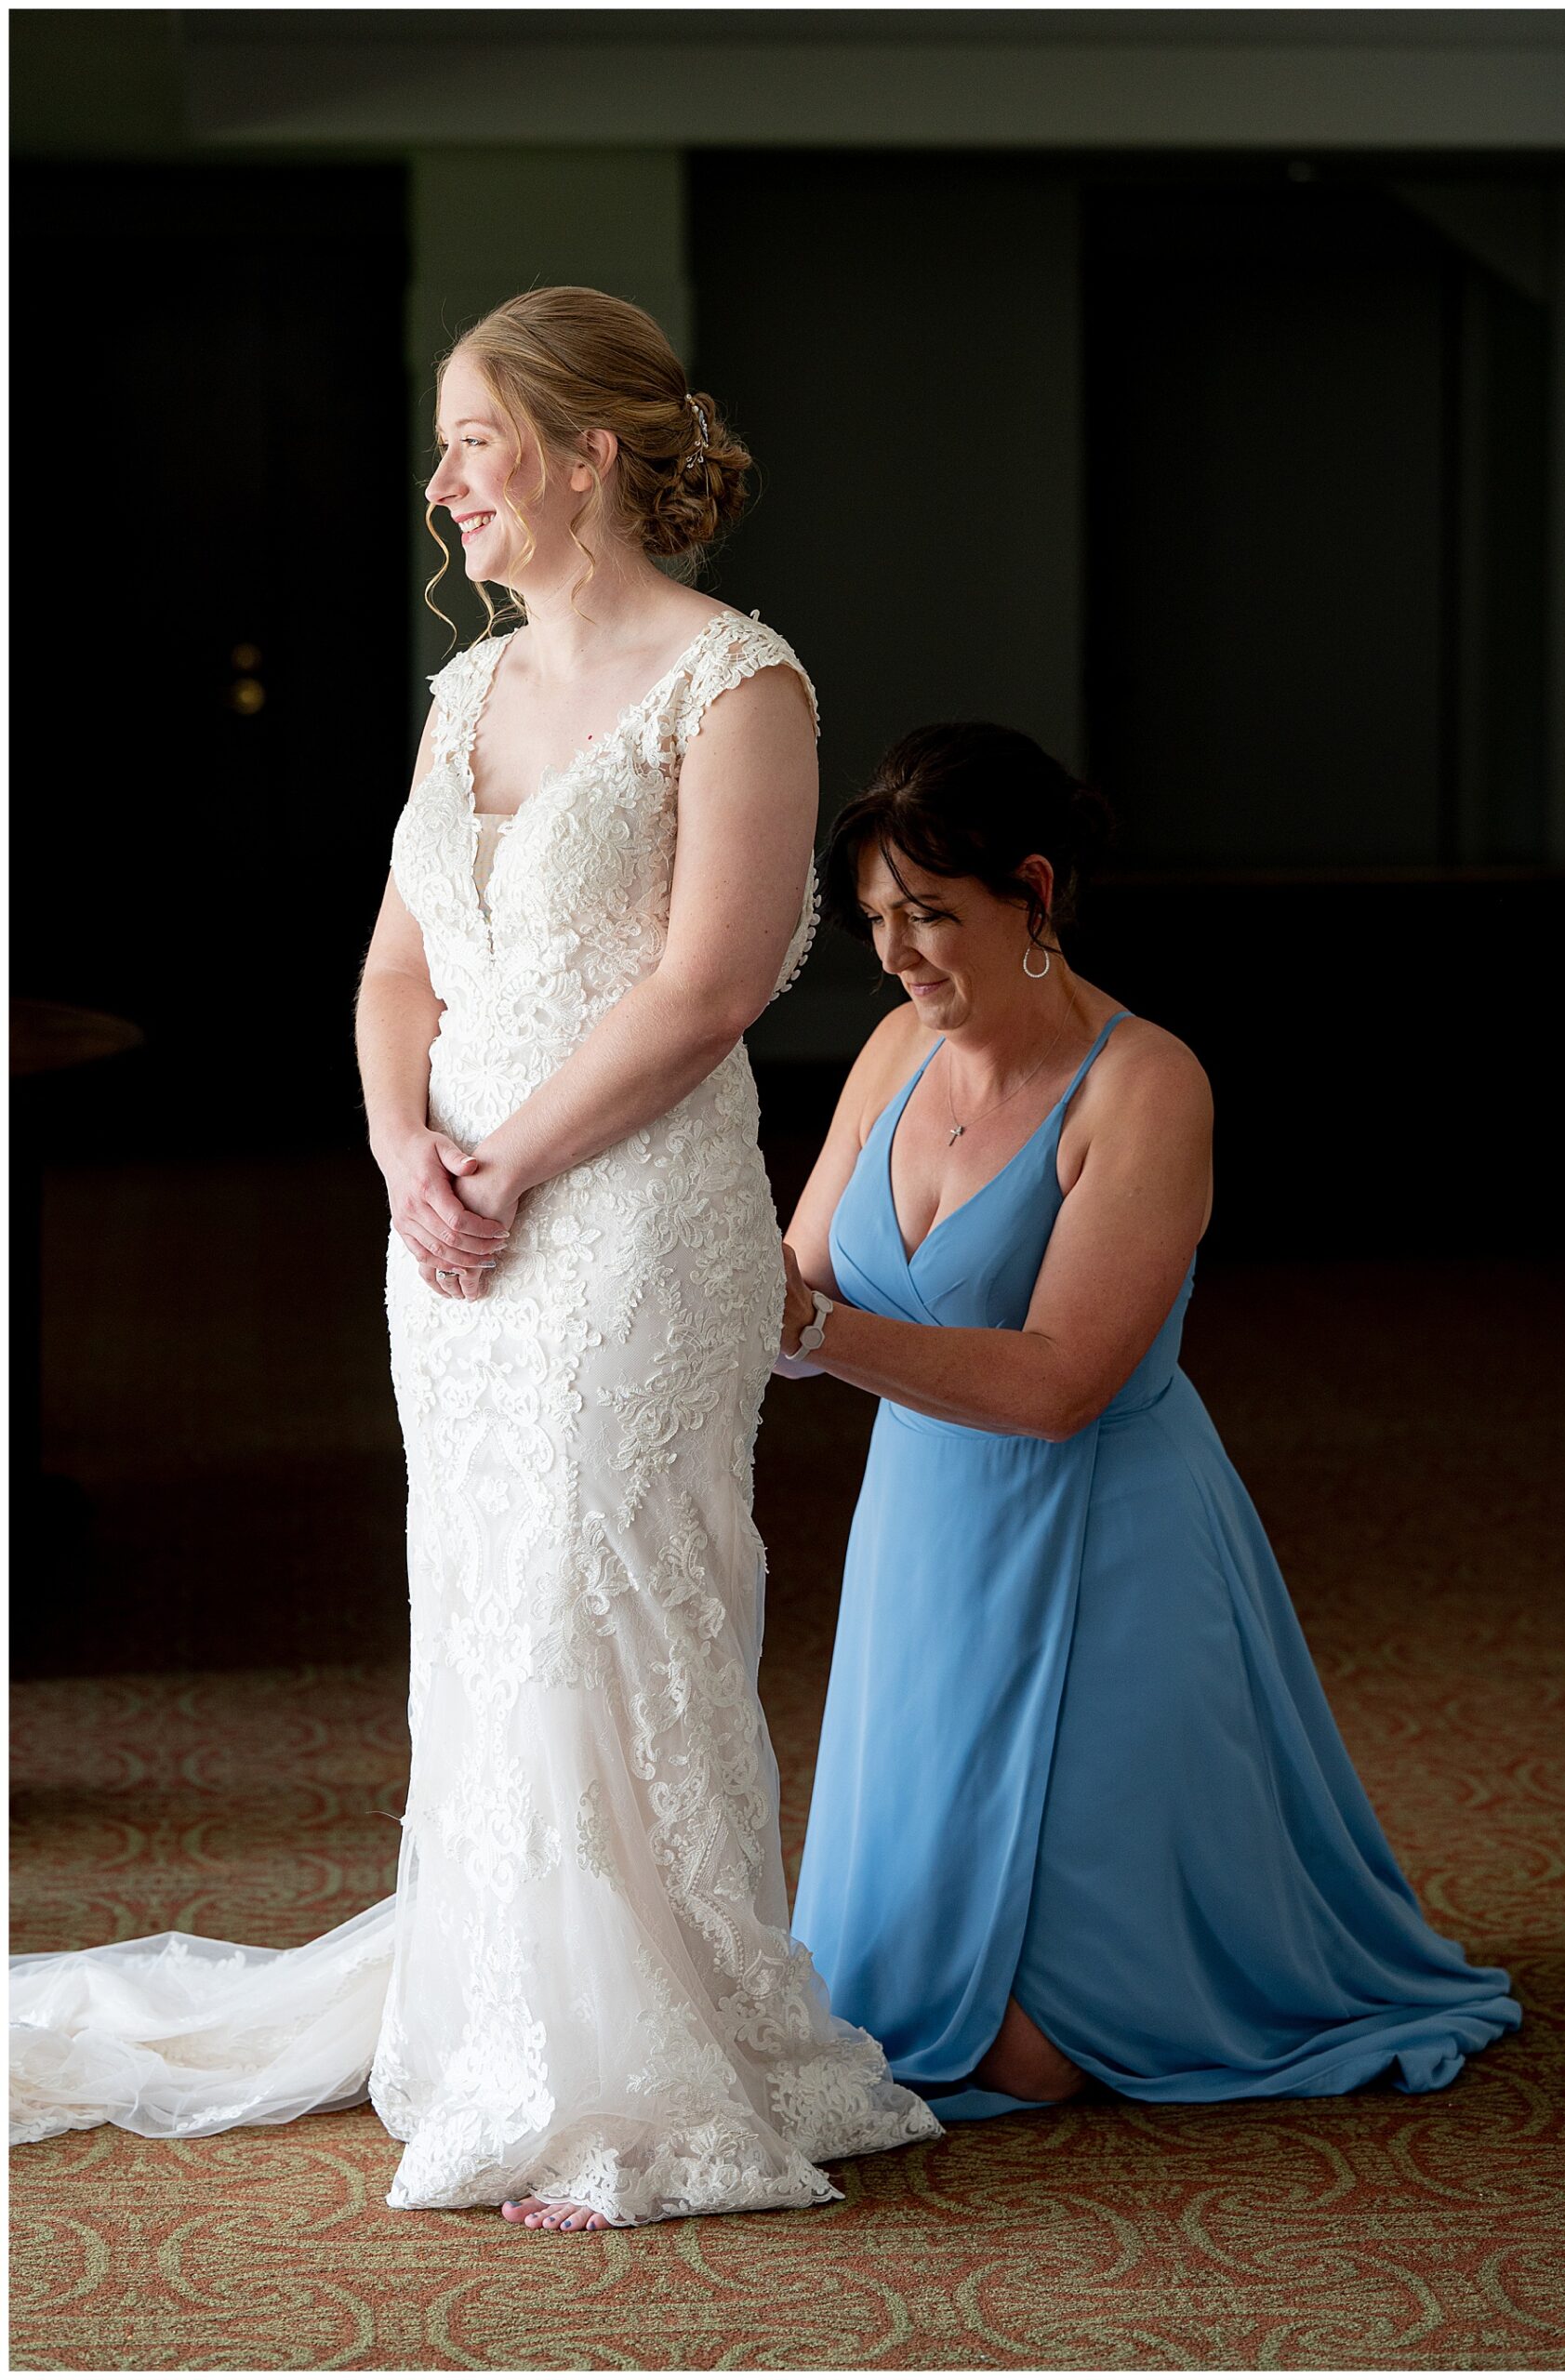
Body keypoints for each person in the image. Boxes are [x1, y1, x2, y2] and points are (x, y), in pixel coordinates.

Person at [9, 287, 938, 2228]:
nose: (445, 487)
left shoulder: (736, 681)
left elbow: (700, 990)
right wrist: (398, 1151)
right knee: (487, 1602)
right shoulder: (468, 695)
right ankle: (506, 2019)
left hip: (626, 1223)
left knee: (612, 1593)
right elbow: (393, 968)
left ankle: (640, 2058)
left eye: (473, 443)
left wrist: (505, 1158)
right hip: (453, 1230)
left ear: (591, 453)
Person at [775, 721, 1521, 2122]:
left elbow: (1057, 1384)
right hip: (923, 1538)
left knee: (1036, 2051)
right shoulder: (887, 1052)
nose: (896, 954)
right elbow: (796, 1271)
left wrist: (811, 1332)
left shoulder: (1144, 1083)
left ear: (1033, 891)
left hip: (1101, 1544)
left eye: (930, 914)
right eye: (877, 919)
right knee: (888, 2012)